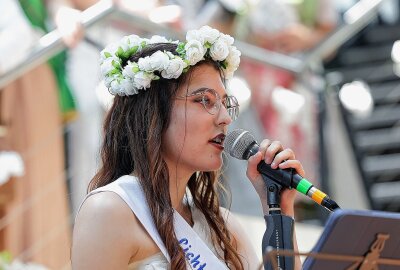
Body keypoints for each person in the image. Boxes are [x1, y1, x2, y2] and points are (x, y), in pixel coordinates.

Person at [71, 25, 305, 269]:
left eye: (225, 103)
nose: (225, 117)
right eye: (204, 100)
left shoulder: (222, 226)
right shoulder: (110, 211)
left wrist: (277, 210)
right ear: (153, 113)